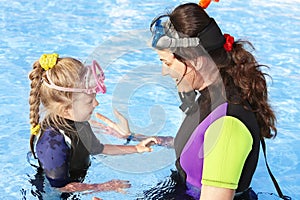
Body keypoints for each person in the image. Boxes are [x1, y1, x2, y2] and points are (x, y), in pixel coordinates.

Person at [94, 2, 278, 200]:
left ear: (195, 60)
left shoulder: (227, 125)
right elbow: (198, 147)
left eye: (167, 62)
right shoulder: (213, 94)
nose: (165, 71)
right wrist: (135, 137)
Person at [28, 53, 157, 197]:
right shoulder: (51, 143)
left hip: (77, 182)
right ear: (66, 109)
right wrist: (103, 186)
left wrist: (136, 148)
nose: (96, 104)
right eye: (89, 101)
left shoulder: (80, 124)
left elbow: (99, 148)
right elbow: (60, 187)